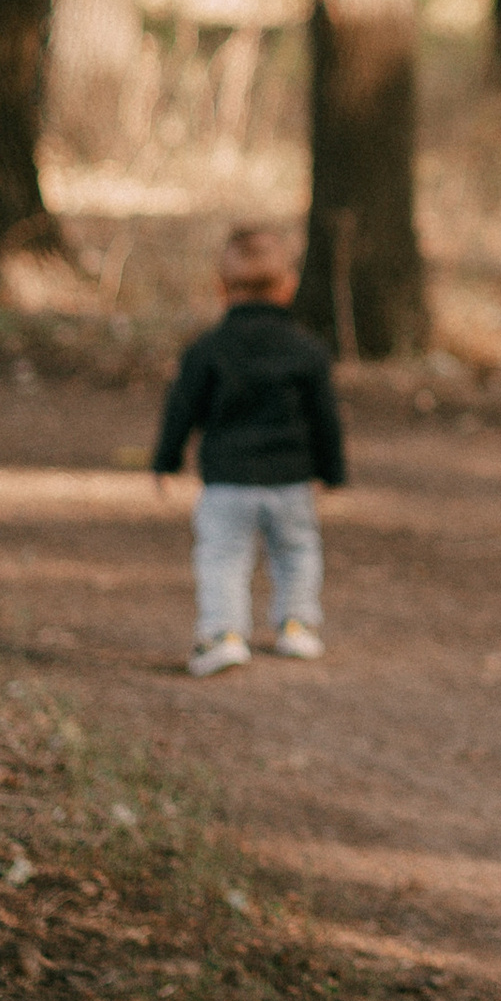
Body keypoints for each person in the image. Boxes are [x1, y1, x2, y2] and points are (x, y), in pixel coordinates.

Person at [152, 223, 348, 677]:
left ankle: (224, 635)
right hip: (291, 480)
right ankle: (297, 625)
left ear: (220, 287)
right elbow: (325, 418)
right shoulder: (308, 351)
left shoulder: (207, 349)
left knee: (222, 556)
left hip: (227, 482)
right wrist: (331, 471)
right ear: (288, 286)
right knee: (297, 552)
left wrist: (166, 460)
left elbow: (181, 409)